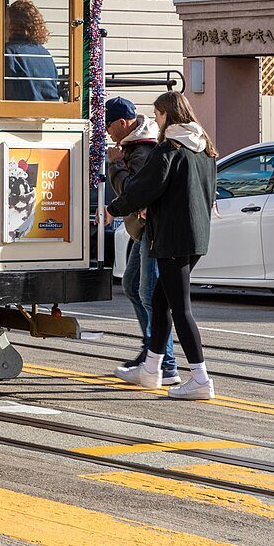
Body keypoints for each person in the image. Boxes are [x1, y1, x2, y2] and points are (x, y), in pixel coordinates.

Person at [105, 91, 219, 401]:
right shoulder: (204, 148)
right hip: (195, 237)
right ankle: (152, 369)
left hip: (171, 236)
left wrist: (113, 208)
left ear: (167, 115)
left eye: (156, 116)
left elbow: (144, 189)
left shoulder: (170, 149)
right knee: (159, 301)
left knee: (180, 309)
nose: (154, 121)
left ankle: (200, 378)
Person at [104, 96, 177, 386]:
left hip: (151, 228)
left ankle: (165, 363)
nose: (108, 132)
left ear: (123, 123)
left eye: (110, 126)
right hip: (143, 228)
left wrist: (114, 166)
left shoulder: (142, 149)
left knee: (149, 293)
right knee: (132, 284)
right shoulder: (135, 144)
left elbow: (133, 190)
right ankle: (152, 352)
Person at [4, 0, 60, 101]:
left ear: (12, 25)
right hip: (50, 112)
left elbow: (6, 93)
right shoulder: (44, 53)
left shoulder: (8, 52)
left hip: (20, 114)